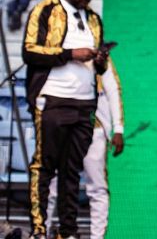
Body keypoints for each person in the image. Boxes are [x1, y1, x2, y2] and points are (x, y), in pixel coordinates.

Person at [24, 0, 109, 239]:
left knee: (71, 171)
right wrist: (70, 53)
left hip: (84, 102)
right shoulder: (46, 9)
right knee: (45, 166)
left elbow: (100, 70)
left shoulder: (94, 19)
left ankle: (69, 231)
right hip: (52, 99)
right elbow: (29, 52)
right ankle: (39, 228)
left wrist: (100, 60)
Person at [46, 56, 124, 239]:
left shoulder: (99, 56)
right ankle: (42, 231)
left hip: (94, 129)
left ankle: (97, 237)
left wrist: (118, 128)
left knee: (97, 187)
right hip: (62, 127)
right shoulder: (60, 53)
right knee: (52, 185)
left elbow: (112, 90)